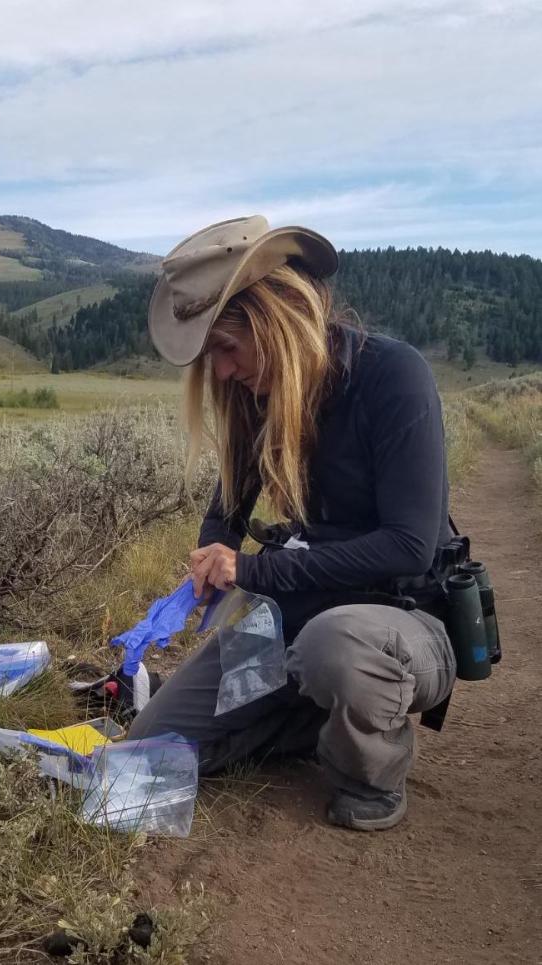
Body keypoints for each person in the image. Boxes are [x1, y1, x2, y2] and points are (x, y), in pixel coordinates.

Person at [127, 215, 457, 831]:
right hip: (294, 615)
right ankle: (307, 714)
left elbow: (410, 546)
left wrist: (251, 568)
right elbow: (225, 514)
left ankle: (370, 778)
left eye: (228, 347)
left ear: (277, 316)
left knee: (335, 648)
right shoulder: (260, 395)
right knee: (150, 744)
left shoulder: (393, 376)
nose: (221, 371)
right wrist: (211, 560)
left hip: (399, 624)